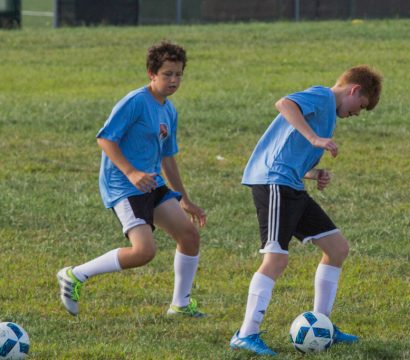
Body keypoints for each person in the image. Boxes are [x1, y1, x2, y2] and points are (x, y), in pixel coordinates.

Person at [230, 65, 383, 355]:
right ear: (354, 90)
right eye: (360, 106)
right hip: (274, 181)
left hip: (292, 186)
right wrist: (315, 139)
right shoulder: (322, 96)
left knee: (337, 248)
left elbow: (292, 150)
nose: (356, 114)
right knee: (275, 258)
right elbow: (285, 104)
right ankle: (245, 334)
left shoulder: (328, 117)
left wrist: (314, 173)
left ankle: (323, 325)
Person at [57, 41, 207, 318]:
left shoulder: (169, 110)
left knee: (189, 236)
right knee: (143, 251)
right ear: (152, 73)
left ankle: (180, 305)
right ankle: (75, 275)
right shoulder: (135, 102)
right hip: (124, 185)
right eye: (167, 74)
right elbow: (105, 138)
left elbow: (168, 157)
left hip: (152, 182)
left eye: (178, 74)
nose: (174, 80)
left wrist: (184, 199)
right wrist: (131, 172)